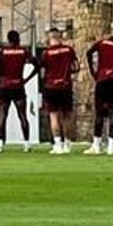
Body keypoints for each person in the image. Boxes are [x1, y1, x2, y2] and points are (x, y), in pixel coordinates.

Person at [0, 30, 36, 153]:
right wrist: (27, 79)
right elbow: (37, 65)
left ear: (8, 40)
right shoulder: (23, 51)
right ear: (18, 39)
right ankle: (27, 144)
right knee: (22, 115)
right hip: (18, 85)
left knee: (3, 114)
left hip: (5, 86)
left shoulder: (1, 51)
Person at [38, 27, 79, 155]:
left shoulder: (46, 53)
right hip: (65, 86)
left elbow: (43, 73)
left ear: (50, 38)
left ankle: (57, 145)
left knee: (53, 115)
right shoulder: (68, 50)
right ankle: (67, 144)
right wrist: (66, 72)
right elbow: (76, 67)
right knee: (67, 116)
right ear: (60, 37)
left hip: (51, 87)